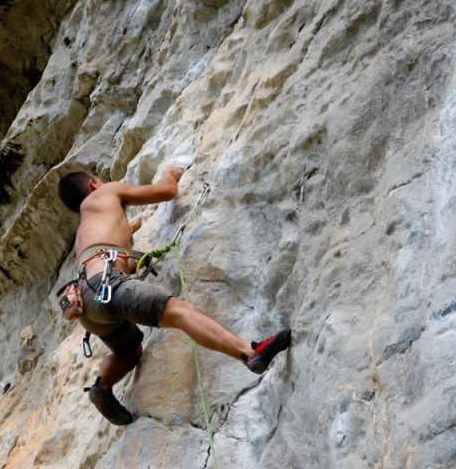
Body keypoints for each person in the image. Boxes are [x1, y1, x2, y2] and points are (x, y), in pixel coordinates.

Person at [57, 166, 291, 425]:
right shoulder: (104, 194)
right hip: (109, 286)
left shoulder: (86, 230)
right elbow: (166, 191)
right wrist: (172, 173)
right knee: (180, 312)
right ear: (92, 184)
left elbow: (113, 263)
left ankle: (102, 387)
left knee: (130, 351)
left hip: (89, 306)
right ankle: (249, 353)